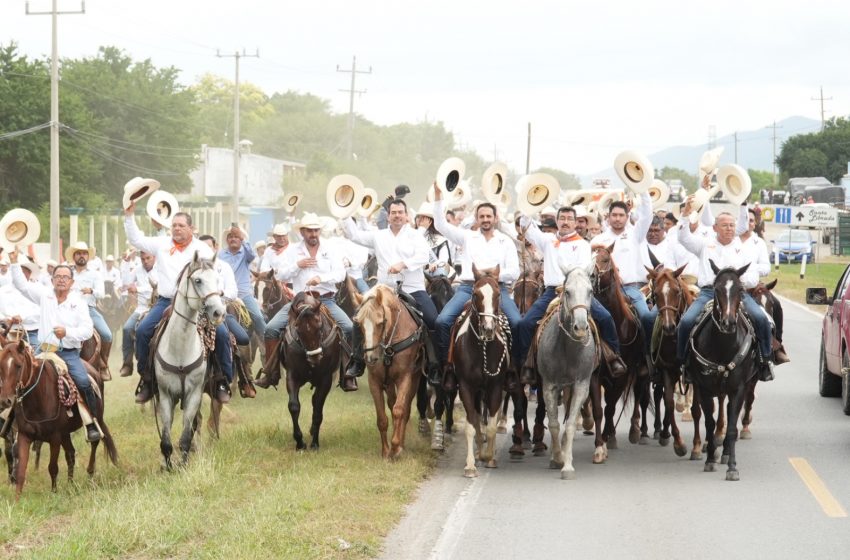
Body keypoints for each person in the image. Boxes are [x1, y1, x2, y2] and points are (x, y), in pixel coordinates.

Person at [123, 203, 231, 403]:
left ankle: (222, 380)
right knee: (143, 331)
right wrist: (129, 215)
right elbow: (136, 239)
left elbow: (214, 276)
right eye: (174, 225)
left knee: (223, 334)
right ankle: (147, 379)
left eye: (181, 225)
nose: (177, 229)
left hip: (198, 304)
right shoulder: (161, 244)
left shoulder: (202, 249)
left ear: (191, 228)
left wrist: (215, 295)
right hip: (166, 301)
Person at [516, 207, 626, 383]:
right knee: (525, 323)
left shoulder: (583, 244)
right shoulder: (548, 240)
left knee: (605, 318)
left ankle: (614, 358)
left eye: (569, 219)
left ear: (576, 223)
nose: (565, 222)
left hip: (577, 293)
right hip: (552, 291)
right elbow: (526, 228)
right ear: (557, 221)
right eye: (562, 218)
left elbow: (581, 273)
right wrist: (528, 207)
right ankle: (526, 365)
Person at [342, 199, 441, 390]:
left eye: (400, 212)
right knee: (359, 316)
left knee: (432, 319)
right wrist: (345, 213)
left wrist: (403, 264)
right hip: (384, 289)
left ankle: (435, 365)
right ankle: (357, 361)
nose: (397, 215)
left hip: (412, 287)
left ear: (406, 216)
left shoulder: (415, 235)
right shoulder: (378, 236)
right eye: (393, 212)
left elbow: (422, 256)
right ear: (388, 216)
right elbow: (353, 235)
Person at [432, 185, 521, 390]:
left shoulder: (505, 241)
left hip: (498, 290)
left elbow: (514, 272)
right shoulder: (467, 237)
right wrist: (438, 197)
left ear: (495, 218)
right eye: (482, 216)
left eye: (489, 216)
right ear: (477, 218)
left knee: (517, 323)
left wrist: (489, 274)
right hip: (468, 288)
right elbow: (440, 224)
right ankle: (448, 366)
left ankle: (514, 369)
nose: (486, 220)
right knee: (442, 321)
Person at [676, 207, 775, 382]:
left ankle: (765, 361)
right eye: (724, 225)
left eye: (731, 225)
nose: (729, 228)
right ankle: (683, 364)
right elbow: (683, 238)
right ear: (715, 228)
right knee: (685, 322)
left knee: (761, 319)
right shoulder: (704, 244)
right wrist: (685, 217)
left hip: (738, 295)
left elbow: (753, 276)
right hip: (709, 293)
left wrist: (736, 285)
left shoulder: (743, 249)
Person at [9, 255, 101, 442]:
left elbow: (87, 330)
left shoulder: (79, 302)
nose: (61, 279)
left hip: (68, 353)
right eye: (57, 276)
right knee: (18, 375)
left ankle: (91, 421)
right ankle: (10, 419)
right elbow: (22, 286)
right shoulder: (45, 295)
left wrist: (66, 332)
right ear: (52, 279)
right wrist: (13, 262)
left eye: (65, 277)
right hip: (42, 351)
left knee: (83, 381)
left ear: (72, 282)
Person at [257, 213, 352, 389]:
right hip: (299, 303)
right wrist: (297, 265)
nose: (313, 234)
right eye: (309, 230)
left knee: (349, 327)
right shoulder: (293, 250)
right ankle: (271, 373)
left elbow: (340, 273)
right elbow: (280, 274)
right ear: (302, 232)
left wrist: (321, 278)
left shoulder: (330, 248)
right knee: (270, 329)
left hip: (325, 300)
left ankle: (347, 373)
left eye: (316, 230)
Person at [590, 194, 655, 344]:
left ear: (627, 217)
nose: (617, 218)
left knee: (646, 317)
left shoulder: (636, 234)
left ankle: (647, 356)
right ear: (608, 217)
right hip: (602, 292)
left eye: (621, 215)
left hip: (630, 289)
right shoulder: (597, 240)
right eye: (614, 215)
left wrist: (642, 189)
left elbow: (647, 215)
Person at [740, 207, 788, 364]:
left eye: (751, 220)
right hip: (732, 287)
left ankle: (774, 346)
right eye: (745, 219)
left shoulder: (759, 243)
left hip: (753, 288)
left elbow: (766, 268)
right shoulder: (731, 240)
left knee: (776, 305)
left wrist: (750, 269)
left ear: (755, 224)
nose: (748, 223)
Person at [65, 242, 113, 378]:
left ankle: (103, 363)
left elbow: (101, 293)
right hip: (68, 310)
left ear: (88, 256)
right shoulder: (68, 272)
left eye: (84, 253)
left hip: (89, 310)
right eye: (79, 253)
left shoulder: (95, 275)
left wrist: (91, 290)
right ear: (74, 256)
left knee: (107, 335)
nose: (82, 256)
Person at [217, 224, 267, 347]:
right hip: (225, 296)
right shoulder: (221, 255)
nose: (233, 239)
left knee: (258, 318)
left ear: (241, 239)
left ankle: (268, 342)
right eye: (230, 237)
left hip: (244, 295)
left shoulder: (246, 253)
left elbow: (252, 254)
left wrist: (243, 237)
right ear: (227, 240)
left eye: (236, 237)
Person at [119, 250, 156, 377]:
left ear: (154, 257)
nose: (145, 261)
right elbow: (125, 282)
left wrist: (138, 288)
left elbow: (159, 287)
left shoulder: (161, 269)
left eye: (148, 258)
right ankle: (127, 363)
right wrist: (126, 262)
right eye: (143, 259)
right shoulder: (138, 269)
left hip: (157, 308)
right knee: (127, 328)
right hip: (141, 308)